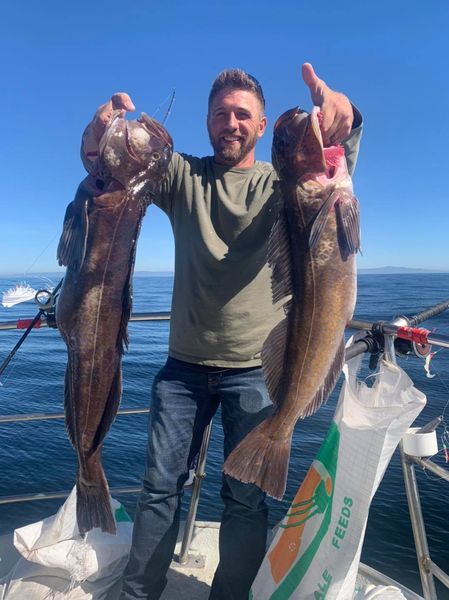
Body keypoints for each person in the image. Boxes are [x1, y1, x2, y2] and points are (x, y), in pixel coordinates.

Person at [81, 63, 362, 600]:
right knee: (159, 490)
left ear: (260, 128)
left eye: (242, 115)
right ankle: (140, 593)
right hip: (182, 369)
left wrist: (342, 113)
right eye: (220, 114)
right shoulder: (184, 176)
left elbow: (332, 154)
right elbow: (115, 168)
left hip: (257, 369)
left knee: (246, 499)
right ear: (207, 124)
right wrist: (99, 137)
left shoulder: (285, 183)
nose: (230, 123)